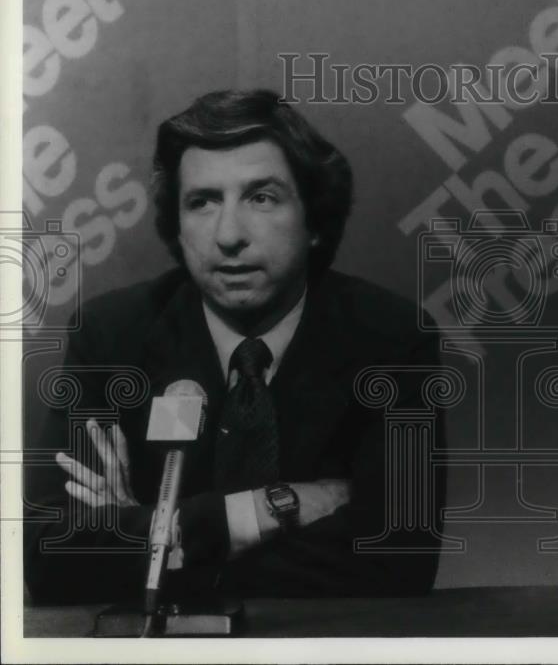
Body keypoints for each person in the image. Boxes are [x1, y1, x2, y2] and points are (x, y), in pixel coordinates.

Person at [24, 89, 446, 603]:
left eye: (261, 197)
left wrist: (154, 538)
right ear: (176, 227)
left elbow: (397, 562)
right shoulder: (112, 336)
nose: (228, 235)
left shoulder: (392, 339)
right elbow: (46, 558)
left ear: (314, 220)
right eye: (202, 202)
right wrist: (261, 510)